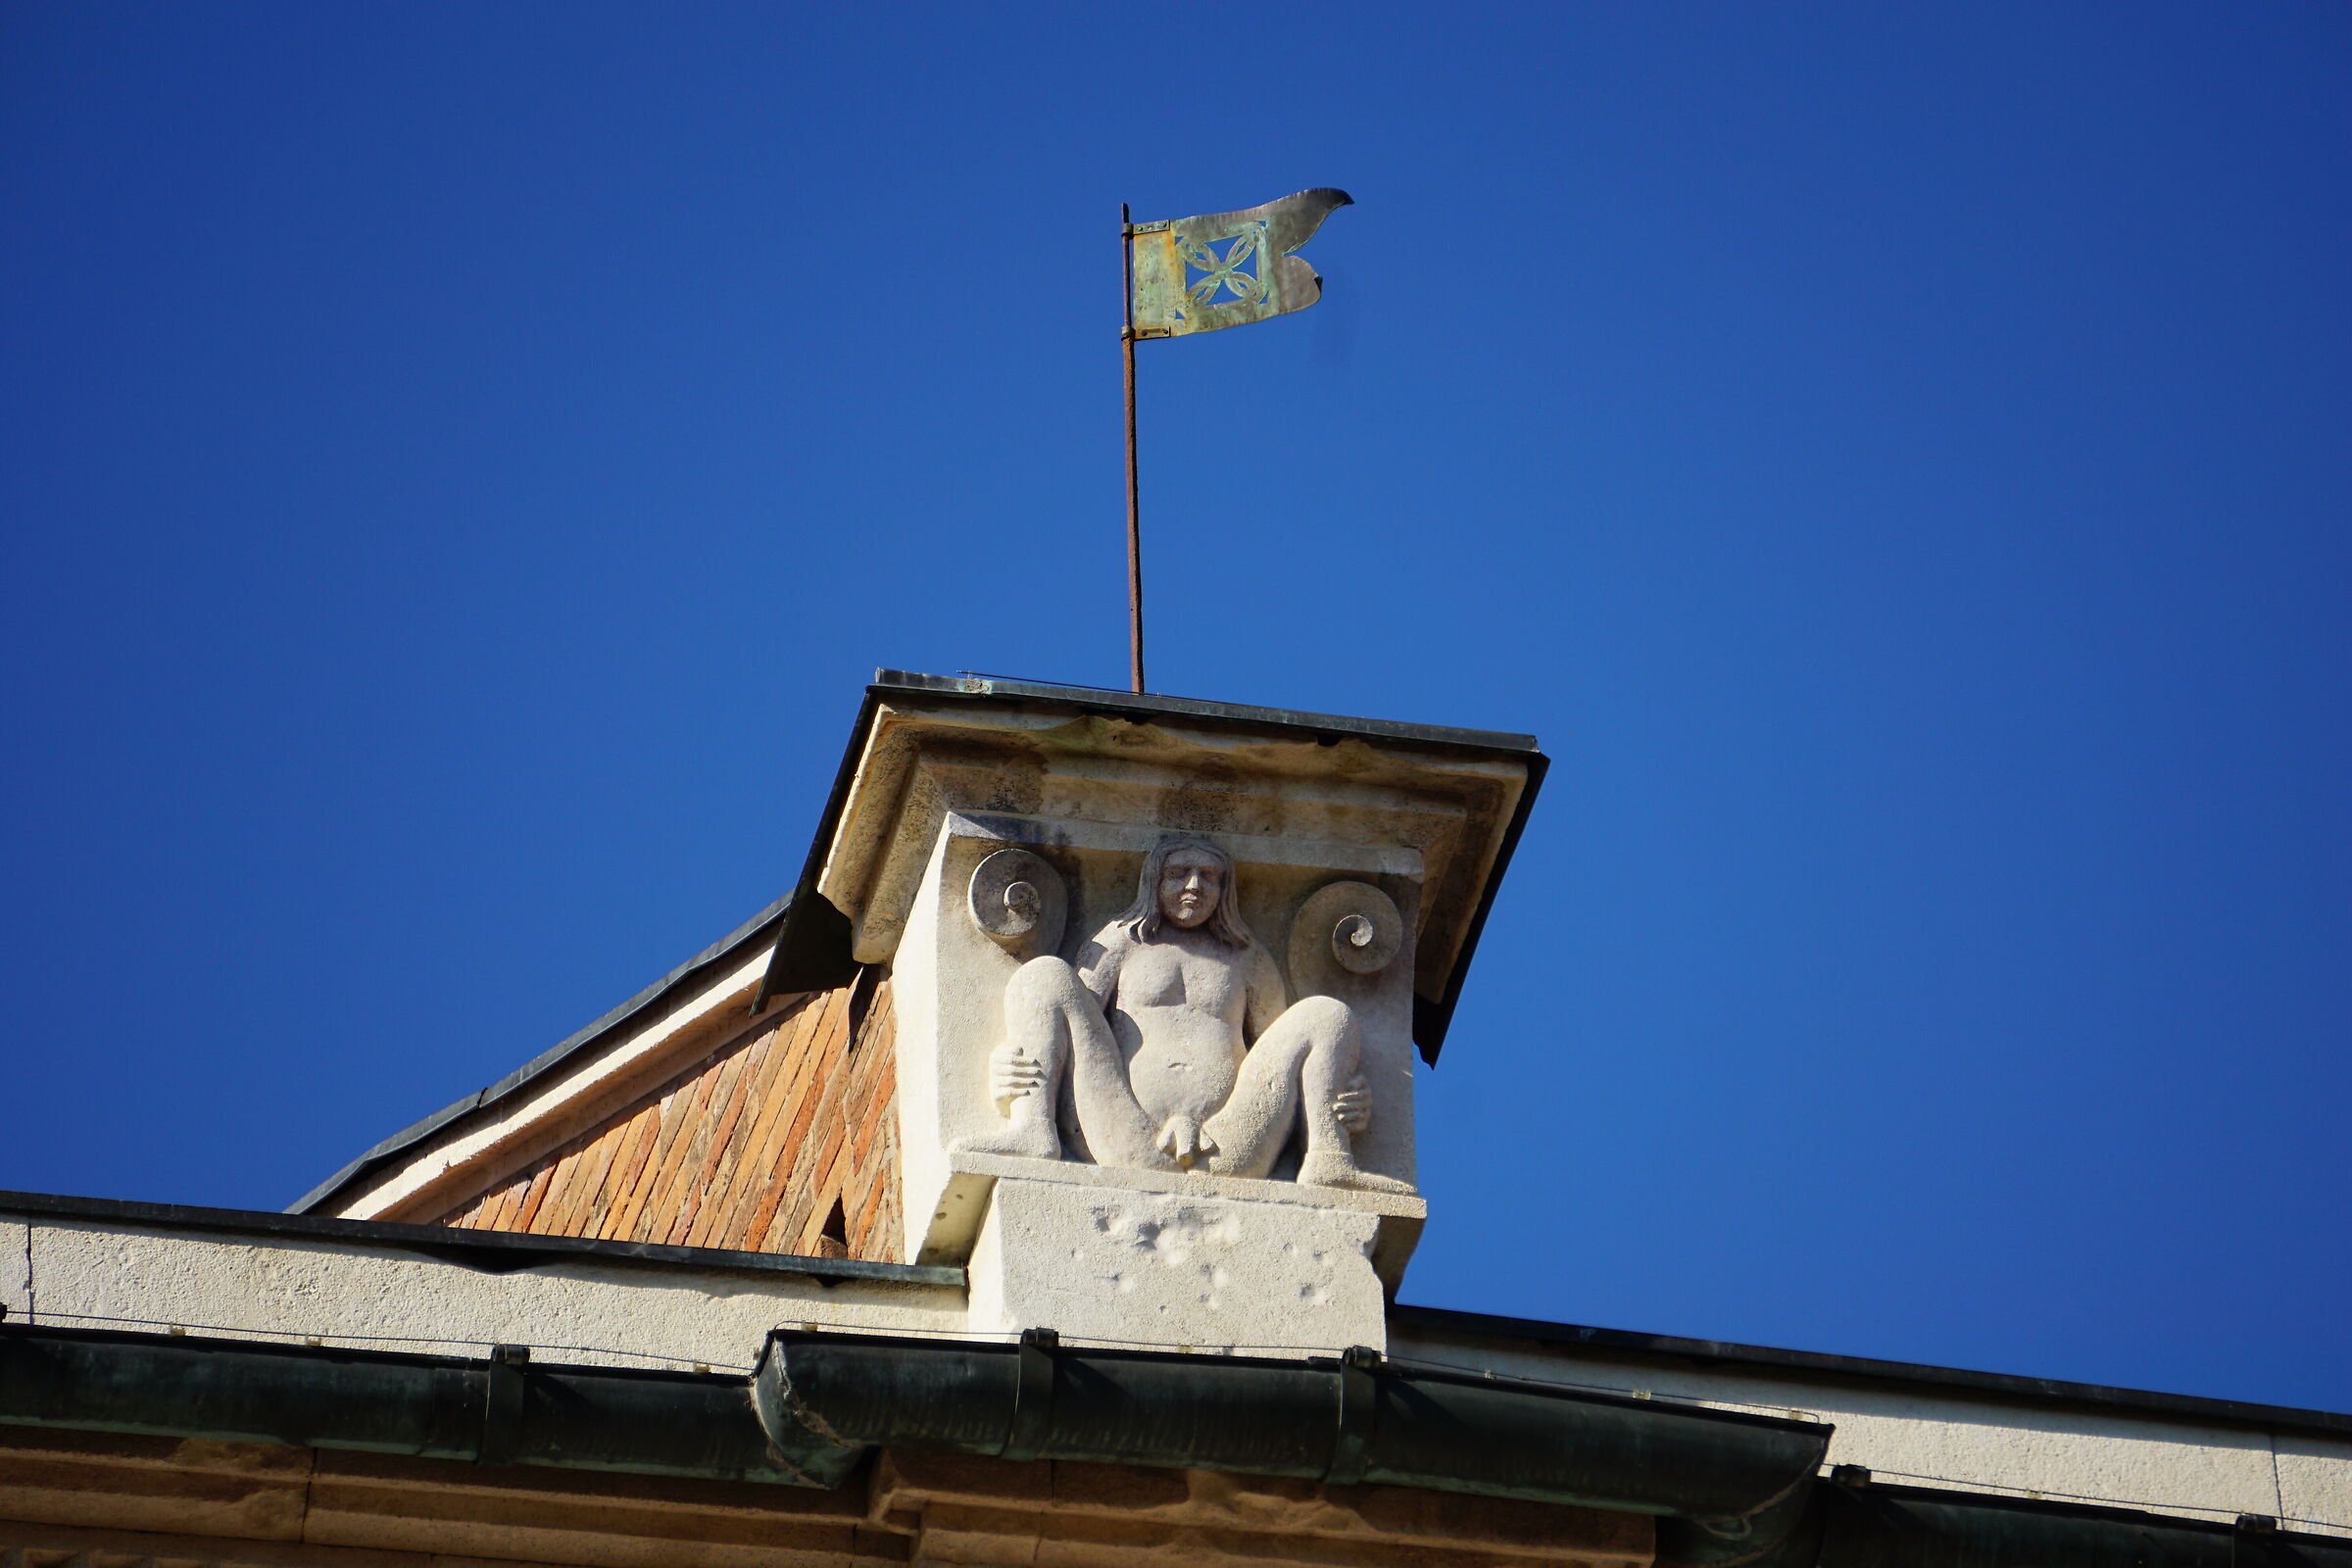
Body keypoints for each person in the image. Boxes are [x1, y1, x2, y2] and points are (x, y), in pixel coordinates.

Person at [956, 835, 1412, 1194]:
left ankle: (1330, 1157)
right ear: (1154, 881)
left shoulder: (1245, 956)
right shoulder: (1121, 941)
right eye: (1179, 873)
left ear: (1225, 889)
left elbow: (1280, 1045)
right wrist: (1021, 1072)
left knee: (1326, 1014)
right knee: (1045, 976)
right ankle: (1032, 1128)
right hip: (1123, 1132)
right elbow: (1066, 1018)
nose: (1195, 886)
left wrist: (1334, 1092)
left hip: (1231, 1143)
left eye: (1210, 877)